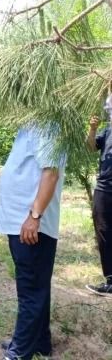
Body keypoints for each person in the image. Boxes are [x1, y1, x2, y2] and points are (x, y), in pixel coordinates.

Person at [0, 125, 66, 360]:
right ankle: (39, 342)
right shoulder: (30, 125)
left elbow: (51, 173)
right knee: (36, 285)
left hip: (30, 223)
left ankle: (20, 352)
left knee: (31, 289)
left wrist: (34, 216)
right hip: (21, 221)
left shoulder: (48, 125)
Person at [86, 114, 112, 295]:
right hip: (104, 188)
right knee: (103, 231)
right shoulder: (108, 130)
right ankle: (111, 281)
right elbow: (90, 147)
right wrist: (93, 129)